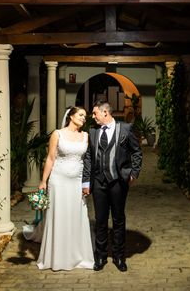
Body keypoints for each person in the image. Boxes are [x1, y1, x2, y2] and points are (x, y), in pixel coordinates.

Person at [82, 100, 142, 272]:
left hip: (118, 181)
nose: (92, 117)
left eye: (95, 113)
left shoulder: (125, 129)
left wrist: (133, 173)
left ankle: (118, 256)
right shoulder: (92, 132)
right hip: (98, 183)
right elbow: (88, 158)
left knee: (118, 219)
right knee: (100, 220)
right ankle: (100, 256)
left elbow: (136, 151)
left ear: (105, 113)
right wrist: (86, 181)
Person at [35, 106, 94, 270]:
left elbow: (87, 161)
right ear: (71, 116)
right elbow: (50, 158)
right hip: (58, 180)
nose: (84, 118)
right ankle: (57, 257)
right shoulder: (57, 134)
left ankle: (77, 255)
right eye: (81, 115)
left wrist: (86, 182)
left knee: (76, 215)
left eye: (85, 116)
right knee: (59, 215)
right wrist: (43, 181)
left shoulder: (86, 136)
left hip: (77, 181)